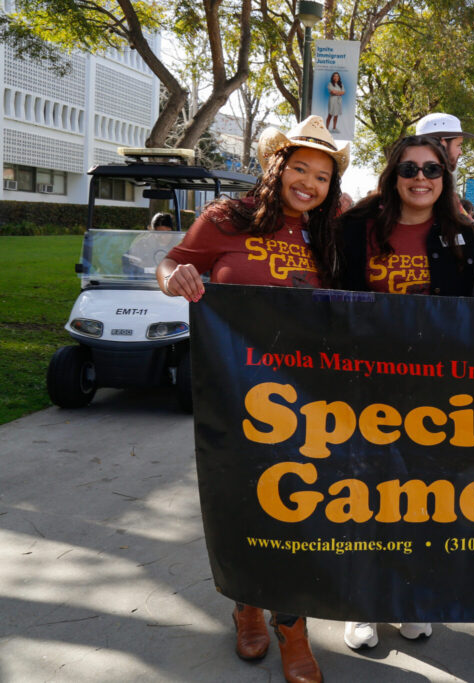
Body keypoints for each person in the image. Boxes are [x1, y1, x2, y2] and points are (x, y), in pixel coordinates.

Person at [157, 115, 348, 683]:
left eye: (321, 174)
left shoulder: (336, 227)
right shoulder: (226, 217)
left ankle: (293, 624)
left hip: (308, 402)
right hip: (234, 395)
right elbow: (172, 263)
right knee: (240, 504)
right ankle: (246, 606)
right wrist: (176, 279)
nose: (309, 183)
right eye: (300, 168)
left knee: (300, 506)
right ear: (277, 165)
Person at [335, 134, 474, 648]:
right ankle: (364, 603)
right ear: (393, 175)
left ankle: (410, 597)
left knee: (423, 501)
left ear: (446, 177)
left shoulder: (464, 237)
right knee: (364, 496)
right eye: (410, 169)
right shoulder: (354, 230)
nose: (421, 178)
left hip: (437, 397)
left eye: (433, 170)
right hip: (365, 390)